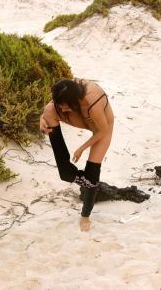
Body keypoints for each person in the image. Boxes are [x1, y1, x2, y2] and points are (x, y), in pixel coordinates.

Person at [39, 77, 114, 231]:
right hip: (81, 118)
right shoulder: (62, 100)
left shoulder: (92, 101)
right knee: (65, 174)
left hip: (102, 127)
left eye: (66, 107)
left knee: (91, 174)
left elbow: (103, 130)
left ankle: (85, 215)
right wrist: (43, 119)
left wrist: (82, 147)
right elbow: (50, 108)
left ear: (75, 100)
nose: (63, 110)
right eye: (61, 107)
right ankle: (88, 183)